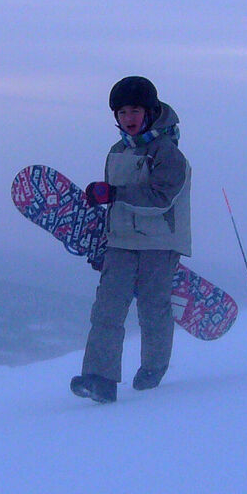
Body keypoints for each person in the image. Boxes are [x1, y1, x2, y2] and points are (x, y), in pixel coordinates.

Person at [70, 76, 192, 403]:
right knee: (107, 310)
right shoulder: (117, 150)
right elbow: (117, 201)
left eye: (135, 110)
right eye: (122, 112)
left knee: (153, 309)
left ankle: (153, 368)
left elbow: (162, 197)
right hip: (121, 243)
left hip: (159, 244)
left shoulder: (167, 153)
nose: (129, 118)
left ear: (150, 111)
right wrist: (104, 229)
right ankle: (99, 379)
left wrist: (114, 193)